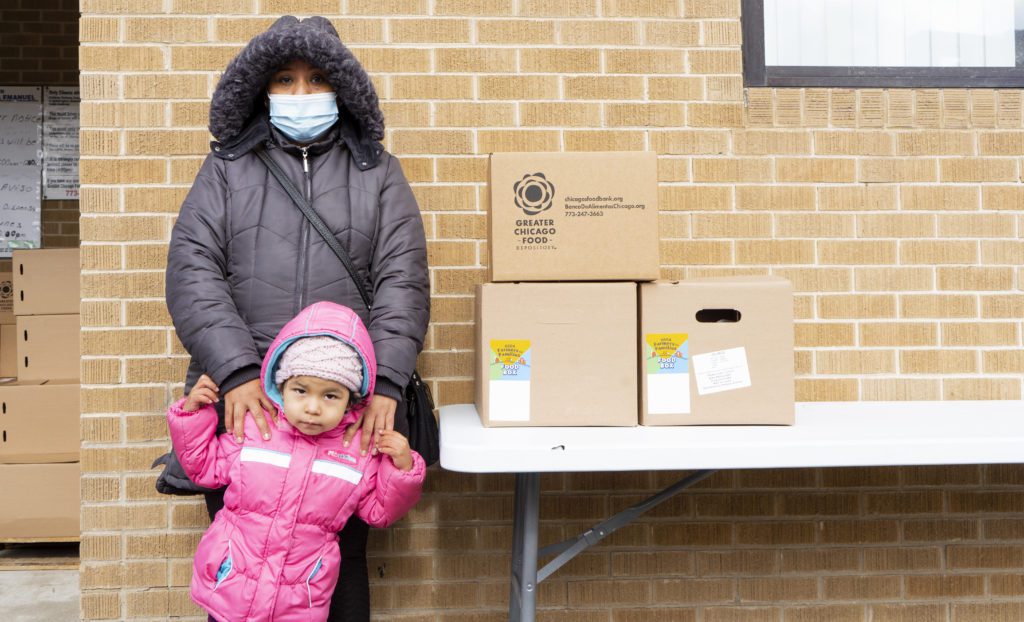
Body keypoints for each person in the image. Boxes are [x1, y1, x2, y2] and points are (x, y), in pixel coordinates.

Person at [163, 14, 430, 621]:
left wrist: (385, 382)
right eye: (285, 79)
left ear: (344, 87)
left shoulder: (378, 173)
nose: (301, 94)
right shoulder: (228, 169)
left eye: (317, 79)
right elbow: (192, 270)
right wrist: (235, 372)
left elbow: (403, 280)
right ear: (262, 88)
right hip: (250, 402)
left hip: (344, 408)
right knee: (241, 557)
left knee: (340, 565)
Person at [168, 301, 425, 622]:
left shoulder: (355, 452)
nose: (313, 407)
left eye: (330, 395)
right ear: (281, 387)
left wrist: (401, 469)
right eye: (301, 390)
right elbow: (204, 468)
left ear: (352, 400)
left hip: (300, 597)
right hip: (233, 585)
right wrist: (192, 415)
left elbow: (379, 511)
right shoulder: (255, 429)